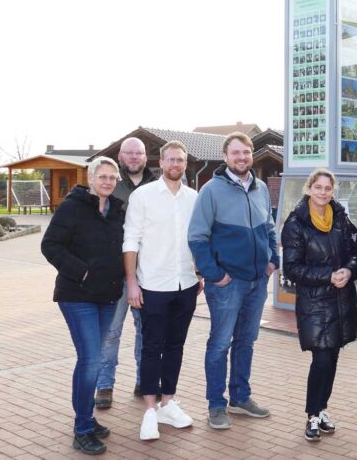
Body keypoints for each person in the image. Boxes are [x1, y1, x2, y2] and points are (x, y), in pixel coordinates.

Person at [188, 131, 279, 430]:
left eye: (247, 152)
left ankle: (240, 398)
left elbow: (269, 227)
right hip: (228, 283)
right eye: (236, 153)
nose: (242, 158)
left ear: (252, 155)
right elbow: (197, 237)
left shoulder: (261, 188)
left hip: (257, 281)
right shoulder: (211, 190)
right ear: (225, 157)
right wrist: (214, 274)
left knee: (246, 342)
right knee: (219, 344)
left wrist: (272, 260)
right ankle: (216, 404)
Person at [41, 157, 125, 455]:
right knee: (89, 360)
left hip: (107, 296)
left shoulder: (116, 210)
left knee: (97, 357)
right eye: (102, 176)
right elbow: (50, 245)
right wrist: (81, 270)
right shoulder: (72, 207)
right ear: (90, 178)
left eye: (112, 177)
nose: (107, 181)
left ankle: (88, 418)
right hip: (77, 296)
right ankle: (82, 429)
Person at [122, 141, 202, 440]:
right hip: (152, 285)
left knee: (176, 346)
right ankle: (150, 411)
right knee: (151, 347)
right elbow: (131, 240)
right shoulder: (143, 196)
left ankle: (168, 402)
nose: (176, 164)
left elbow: (196, 239)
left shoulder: (193, 198)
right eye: (171, 159)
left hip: (186, 285)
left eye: (181, 160)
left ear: (185, 163)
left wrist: (197, 272)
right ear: (161, 161)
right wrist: (131, 282)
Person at [281, 169, 357, 442]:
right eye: (319, 187)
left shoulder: (340, 218)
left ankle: (322, 409)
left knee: (333, 359)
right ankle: (312, 414)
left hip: (341, 300)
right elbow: (291, 268)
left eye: (328, 188)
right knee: (322, 359)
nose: (324, 193)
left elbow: (355, 252)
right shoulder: (296, 223)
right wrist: (327, 276)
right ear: (309, 188)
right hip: (315, 303)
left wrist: (349, 272)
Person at [96, 137, 156, 409]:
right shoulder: (109, 185)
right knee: (111, 331)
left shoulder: (157, 185)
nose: (134, 157)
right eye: (129, 153)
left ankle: (144, 381)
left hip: (149, 271)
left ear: (146, 157)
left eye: (139, 153)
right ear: (121, 156)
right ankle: (105, 385)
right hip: (114, 272)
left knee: (147, 331)